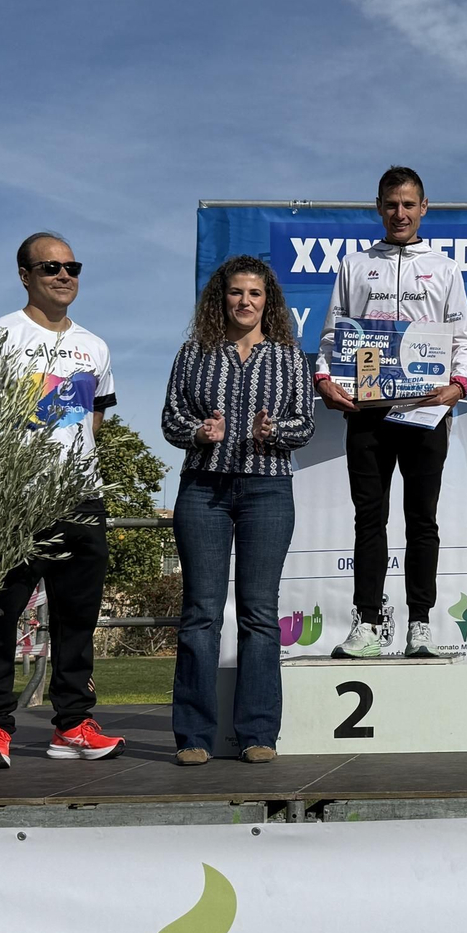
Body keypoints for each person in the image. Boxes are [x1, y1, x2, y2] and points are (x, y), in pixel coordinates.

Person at [0, 232, 123, 768]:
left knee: (76, 619)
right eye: (50, 267)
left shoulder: (95, 346)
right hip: (11, 501)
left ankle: (73, 724)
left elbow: (95, 419)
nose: (64, 276)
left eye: (72, 266)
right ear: (25, 275)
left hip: (79, 499)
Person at [315, 166, 467, 659]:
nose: (400, 213)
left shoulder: (446, 268)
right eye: (391, 204)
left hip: (426, 410)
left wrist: (457, 384)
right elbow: (330, 336)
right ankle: (367, 624)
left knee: (421, 520)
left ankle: (420, 624)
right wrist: (324, 378)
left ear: (424, 208)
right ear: (379, 207)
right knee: (370, 518)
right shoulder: (354, 265)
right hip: (368, 410)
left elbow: (462, 338)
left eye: (409, 204)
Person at [161, 256, 314, 765]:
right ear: (219, 299)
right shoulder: (194, 353)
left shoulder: (290, 357)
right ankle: (194, 737)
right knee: (201, 616)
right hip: (203, 491)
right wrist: (197, 433)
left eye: (254, 293)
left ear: (267, 301)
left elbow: (305, 424)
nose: (244, 302)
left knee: (260, 615)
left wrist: (277, 433)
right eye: (235, 293)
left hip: (267, 492)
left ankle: (257, 734)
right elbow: (171, 418)